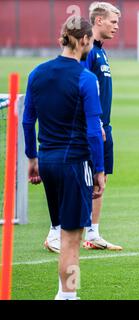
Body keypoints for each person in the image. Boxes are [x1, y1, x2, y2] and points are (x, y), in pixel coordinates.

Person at [23, 16, 105, 299]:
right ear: (84, 41)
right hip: (75, 164)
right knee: (72, 238)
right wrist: (100, 169)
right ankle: (68, 295)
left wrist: (32, 159)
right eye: (91, 41)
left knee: (62, 230)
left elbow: (26, 121)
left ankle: (66, 294)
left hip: (47, 161)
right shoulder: (86, 78)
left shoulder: (37, 73)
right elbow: (94, 131)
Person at [43, 2, 122, 252]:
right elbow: (79, 88)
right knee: (80, 181)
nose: (116, 27)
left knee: (101, 179)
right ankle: (54, 233)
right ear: (98, 21)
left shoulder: (101, 51)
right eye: (113, 22)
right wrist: (93, 124)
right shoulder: (87, 55)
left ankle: (93, 233)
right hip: (91, 126)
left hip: (103, 126)